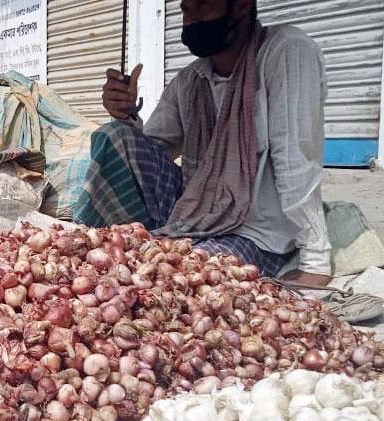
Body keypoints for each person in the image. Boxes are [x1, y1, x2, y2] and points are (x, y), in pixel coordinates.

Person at [84, 0, 331, 285]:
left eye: (202, 6)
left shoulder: (286, 51)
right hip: (197, 210)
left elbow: (296, 157)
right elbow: (151, 149)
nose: (191, 20)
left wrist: (316, 261)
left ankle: (157, 249)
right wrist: (125, 114)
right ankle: (115, 242)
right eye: (187, 9)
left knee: (183, 274)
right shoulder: (191, 80)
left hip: (253, 230)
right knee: (114, 136)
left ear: (241, 6)